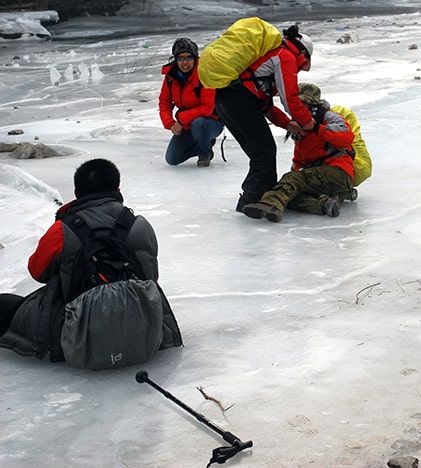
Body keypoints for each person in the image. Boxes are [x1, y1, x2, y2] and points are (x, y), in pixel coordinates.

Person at [0, 159, 183, 361]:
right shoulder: (139, 226)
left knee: (5, 305)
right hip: (143, 329)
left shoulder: (62, 231)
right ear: (117, 188)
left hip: (79, 331)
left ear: (77, 194)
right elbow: (150, 277)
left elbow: (37, 272)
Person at [211, 25, 318, 212]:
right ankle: (252, 200)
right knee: (265, 152)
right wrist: (308, 122)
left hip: (224, 100)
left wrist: (287, 124)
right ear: (302, 53)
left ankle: (265, 196)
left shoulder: (266, 59)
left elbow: (265, 105)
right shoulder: (284, 56)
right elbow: (290, 99)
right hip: (239, 101)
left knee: (260, 153)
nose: (299, 69)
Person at [241, 83, 354, 223]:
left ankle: (269, 204)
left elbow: (346, 137)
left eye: (301, 103)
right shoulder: (300, 127)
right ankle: (325, 205)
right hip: (324, 184)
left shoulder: (328, 117)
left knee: (292, 181)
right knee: (289, 196)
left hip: (338, 173)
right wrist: (289, 181)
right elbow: (299, 160)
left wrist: (317, 128)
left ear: (311, 103)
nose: (297, 107)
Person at [159, 38, 224, 167]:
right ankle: (204, 144)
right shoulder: (171, 76)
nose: (185, 62)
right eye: (181, 58)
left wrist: (181, 119)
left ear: (195, 58)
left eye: (189, 57)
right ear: (175, 59)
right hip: (187, 124)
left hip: (210, 122)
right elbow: (164, 102)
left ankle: (204, 154)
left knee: (199, 123)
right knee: (172, 158)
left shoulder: (204, 73)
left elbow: (207, 108)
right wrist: (170, 123)